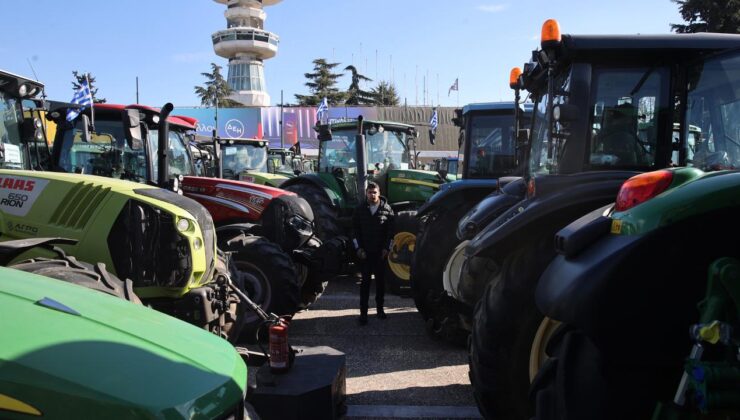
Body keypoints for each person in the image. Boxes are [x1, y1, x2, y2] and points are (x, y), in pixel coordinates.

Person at [352, 181, 394, 326]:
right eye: (370, 192)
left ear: (379, 193)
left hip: (380, 254)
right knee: (365, 284)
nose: (372, 195)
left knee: (380, 283)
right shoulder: (359, 210)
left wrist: (387, 249)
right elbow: (355, 231)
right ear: (366, 193)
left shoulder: (387, 210)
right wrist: (358, 249)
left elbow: (391, 233)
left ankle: (380, 310)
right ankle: (363, 314)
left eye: (374, 192)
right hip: (365, 254)